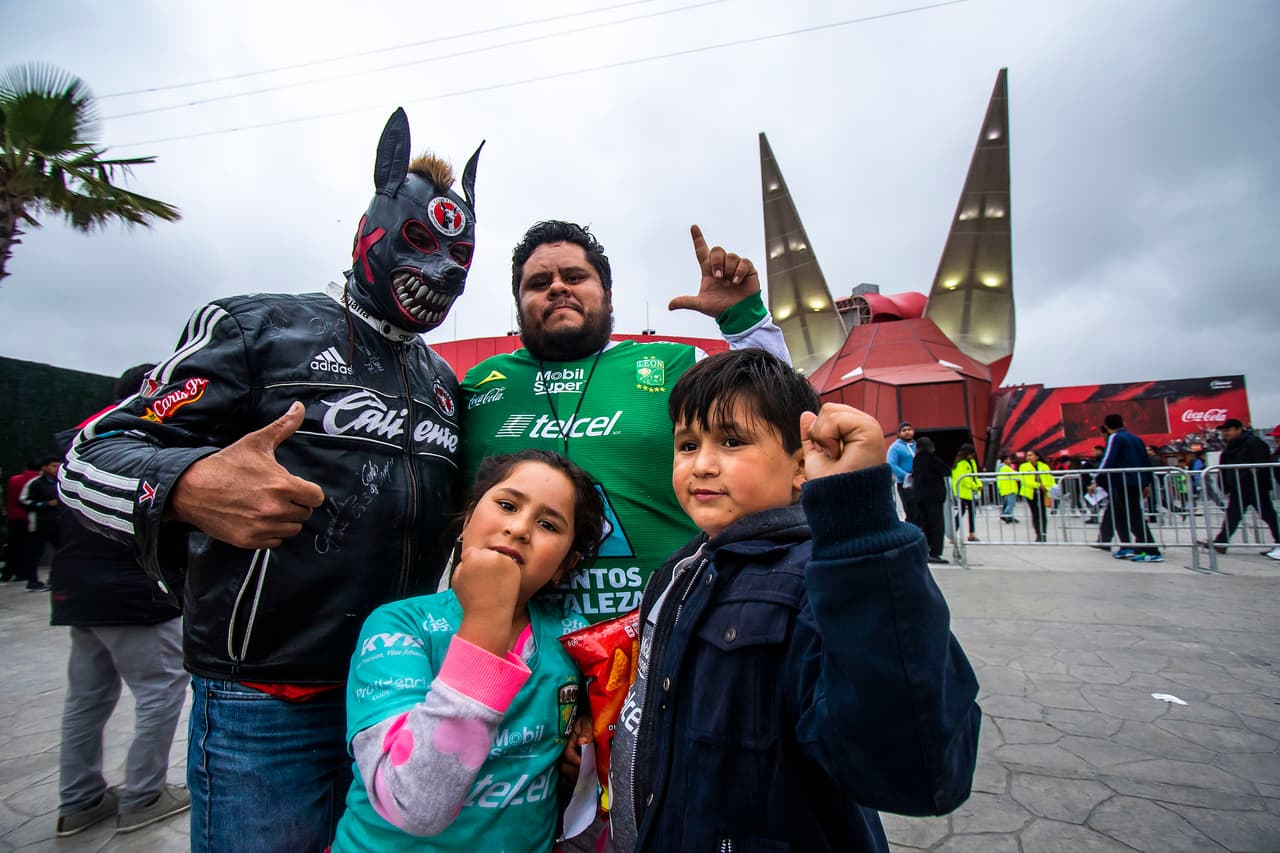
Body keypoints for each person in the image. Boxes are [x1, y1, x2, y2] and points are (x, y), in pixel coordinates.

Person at [58, 109, 482, 852]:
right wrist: (187, 483)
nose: (443, 268)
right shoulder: (257, 330)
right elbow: (90, 454)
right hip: (264, 707)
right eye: (420, 240)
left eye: (462, 252)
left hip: (390, 700)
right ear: (371, 226)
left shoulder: (446, 385)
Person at [608, 349, 980, 852]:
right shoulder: (680, 571)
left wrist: (859, 528)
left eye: (732, 441)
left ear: (801, 465)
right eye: (688, 444)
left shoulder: (819, 576)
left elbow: (913, 769)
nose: (702, 464)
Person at [461, 220, 787, 624]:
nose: (558, 287)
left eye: (575, 276)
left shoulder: (673, 365)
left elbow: (781, 417)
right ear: (519, 302)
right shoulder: (479, 385)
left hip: (668, 627)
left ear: (608, 295)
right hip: (515, 641)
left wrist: (746, 320)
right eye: (539, 282)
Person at [331, 449, 604, 852]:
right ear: (468, 519)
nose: (519, 528)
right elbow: (414, 805)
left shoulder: (572, 639)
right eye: (507, 505)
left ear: (567, 563)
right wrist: (485, 625)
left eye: (548, 524)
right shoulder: (399, 627)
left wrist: (585, 733)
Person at [52, 364, 191, 837]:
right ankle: (144, 795)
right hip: (132, 591)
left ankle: (79, 800)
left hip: (78, 588)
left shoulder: (83, 440)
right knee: (161, 689)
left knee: (86, 698)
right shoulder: (150, 439)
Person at [1089, 413, 1162, 562]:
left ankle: (1151, 550)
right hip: (1133, 481)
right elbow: (1145, 462)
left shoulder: (1115, 438)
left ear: (1107, 427)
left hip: (1123, 481)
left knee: (1133, 516)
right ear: (1124, 422)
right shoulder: (1136, 439)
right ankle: (1128, 546)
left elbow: (1108, 459)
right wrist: (1146, 482)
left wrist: (1096, 478)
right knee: (1120, 515)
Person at [1209, 418, 1280, 560]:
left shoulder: (1253, 443)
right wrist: (1226, 485)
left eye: (1228, 430)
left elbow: (1261, 466)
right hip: (1238, 490)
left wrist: (1248, 478)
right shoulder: (1232, 446)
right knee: (1232, 516)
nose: (1225, 433)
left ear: (1238, 429)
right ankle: (1221, 542)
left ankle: (1278, 541)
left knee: (1268, 515)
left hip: (1255, 488)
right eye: (1224, 431)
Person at [18, 456, 61, 591]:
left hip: (56, 523)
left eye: (57, 466)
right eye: (53, 466)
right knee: (35, 553)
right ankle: (32, 581)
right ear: (44, 467)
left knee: (61, 551)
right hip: (38, 523)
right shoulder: (35, 483)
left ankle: (54, 579)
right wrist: (45, 504)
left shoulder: (59, 482)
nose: (56, 469)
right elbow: (23, 501)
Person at [910, 436, 951, 563]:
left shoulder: (916, 460)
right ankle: (935, 552)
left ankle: (924, 549)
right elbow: (947, 470)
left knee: (923, 524)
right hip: (934, 496)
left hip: (919, 496)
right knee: (937, 525)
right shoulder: (932, 459)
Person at [3, 460, 39, 582]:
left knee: (13, 545)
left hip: (13, 516)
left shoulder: (13, 479)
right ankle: (22, 573)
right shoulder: (37, 481)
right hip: (30, 518)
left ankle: (7, 572)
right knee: (28, 547)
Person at [1017, 450, 1052, 543]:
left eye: (1030, 455)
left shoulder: (1044, 466)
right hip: (1030, 492)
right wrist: (1038, 485)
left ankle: (1044, 533)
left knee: (1043, 513)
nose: (1028, 457)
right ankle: (1038, 534)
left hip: (1042, 492)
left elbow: (1049, 478)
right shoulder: (1023, 467)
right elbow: (1025, 480)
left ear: (1037, 456)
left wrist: (1048, 488)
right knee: (1035, 513)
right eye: (1027, 455)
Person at [887, 422, 917, 522]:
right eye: (904, 430)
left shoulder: (916, 445)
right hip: (905, 483)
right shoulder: (895, 447)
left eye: (909, 429)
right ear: (899, 434)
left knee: (919, 510)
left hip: (919, 481)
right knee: (910, 509)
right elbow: (891, 463)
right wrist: (906, 475)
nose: (907, 432)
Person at [951, 442, 981, 542]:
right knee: (961, 512)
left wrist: (978, 484)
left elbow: (974, 476)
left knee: (972, 513)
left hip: (971, 492)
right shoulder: (959, 464)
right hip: (962, 492)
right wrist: (975, 486)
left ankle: (971, 534)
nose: (971, 455)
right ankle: (953, 534)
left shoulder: (972, 462)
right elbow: (963, 479)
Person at [996, 452, 1020, 524]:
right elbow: (1015, 475)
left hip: (1005, 489)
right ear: (1005, 460)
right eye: (1009, 459)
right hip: (1009, 489)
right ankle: (1006, 515)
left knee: (1007, 503)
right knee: (1011, 504)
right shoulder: (1005, 468)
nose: (1010, 461)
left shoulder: (1000, 467)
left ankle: (1009, 516)